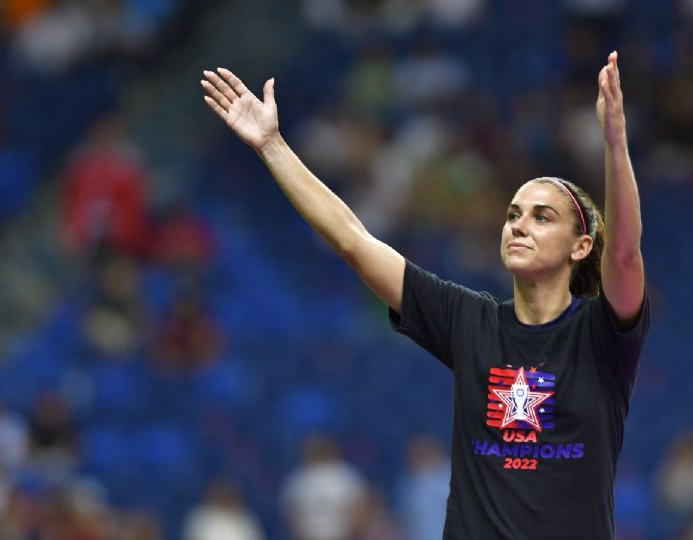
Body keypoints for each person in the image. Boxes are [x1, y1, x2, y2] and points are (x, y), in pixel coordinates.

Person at [201, 50, 649, 539]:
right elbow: (354, 241)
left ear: (581, 246)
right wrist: (271, 145)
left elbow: (624, 255)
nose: (519, 226)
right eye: (513, 215)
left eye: (542, 217)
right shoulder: (468, 320)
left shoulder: (602, 334)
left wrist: (615, 143)